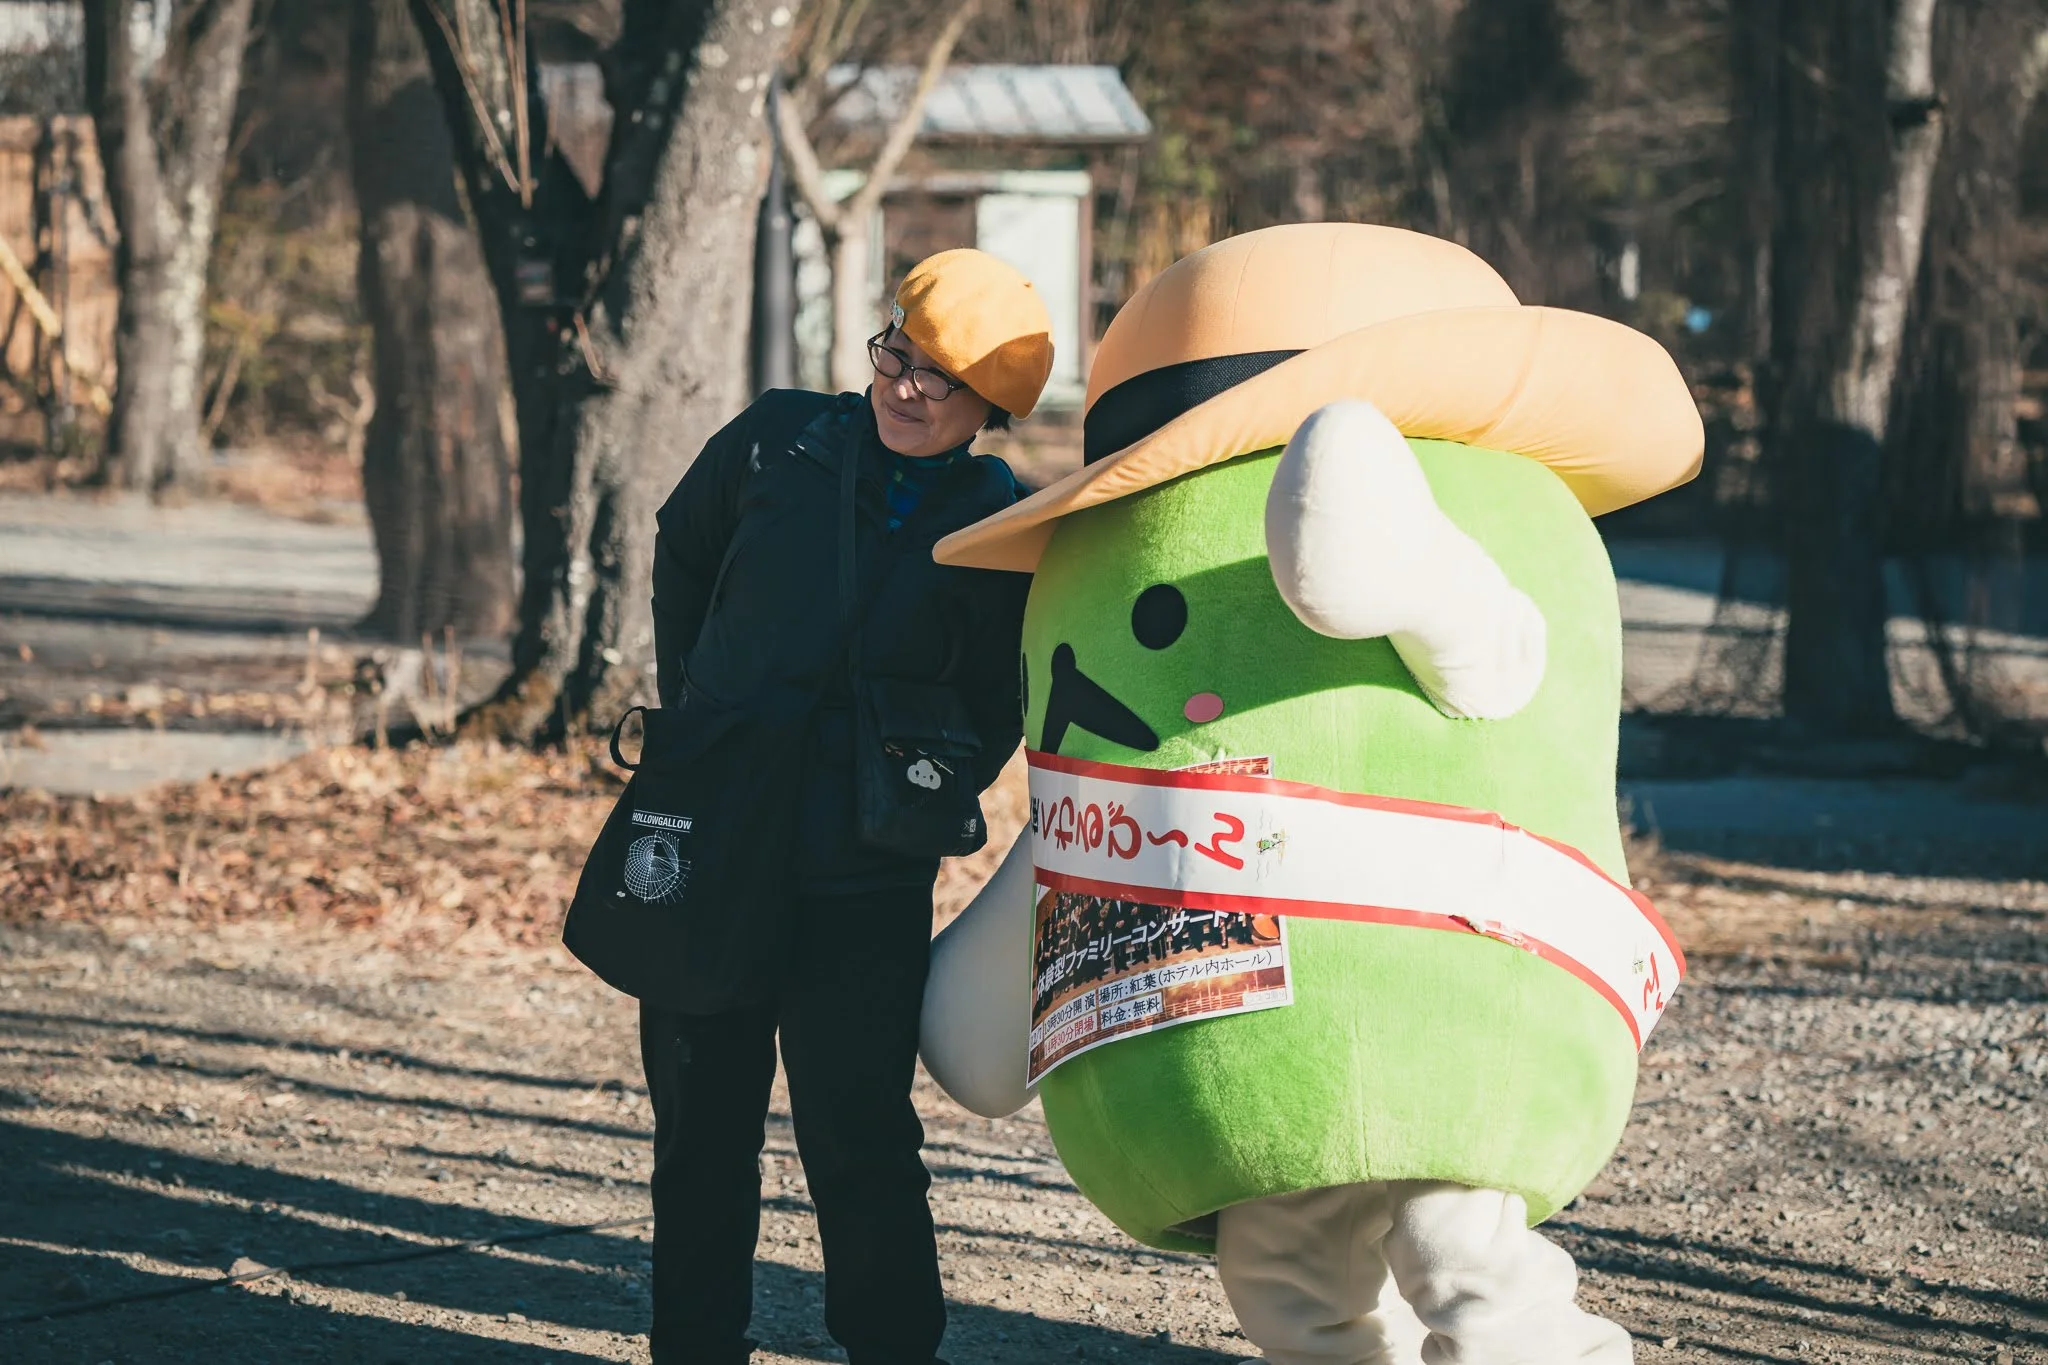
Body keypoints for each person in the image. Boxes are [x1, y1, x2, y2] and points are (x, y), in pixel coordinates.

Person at [637, 249, 1051, 1365]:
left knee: (859, 1134)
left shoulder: (1001, 524)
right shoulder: (777, 438)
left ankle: (893, 1347)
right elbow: (683, 549)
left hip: (865, 869)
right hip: (719, 838)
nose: (904, 389)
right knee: (700, 1129)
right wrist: (701, 711)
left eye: (939, 378)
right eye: (895, 356)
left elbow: (1001, 693)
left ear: (990, 405)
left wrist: (927, 782)